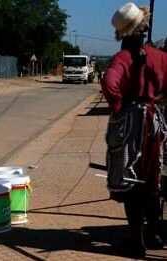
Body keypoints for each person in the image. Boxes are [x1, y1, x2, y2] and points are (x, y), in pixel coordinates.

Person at [101, 2, 167, 258]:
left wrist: (119, 106)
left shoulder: (123, 58)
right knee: (151, 181)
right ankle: (154, 235)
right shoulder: (159, 57)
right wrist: (157, 97)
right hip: (153, 123)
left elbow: (109, 82)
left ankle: (136, 242)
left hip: (130, 126)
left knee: (130, 183)